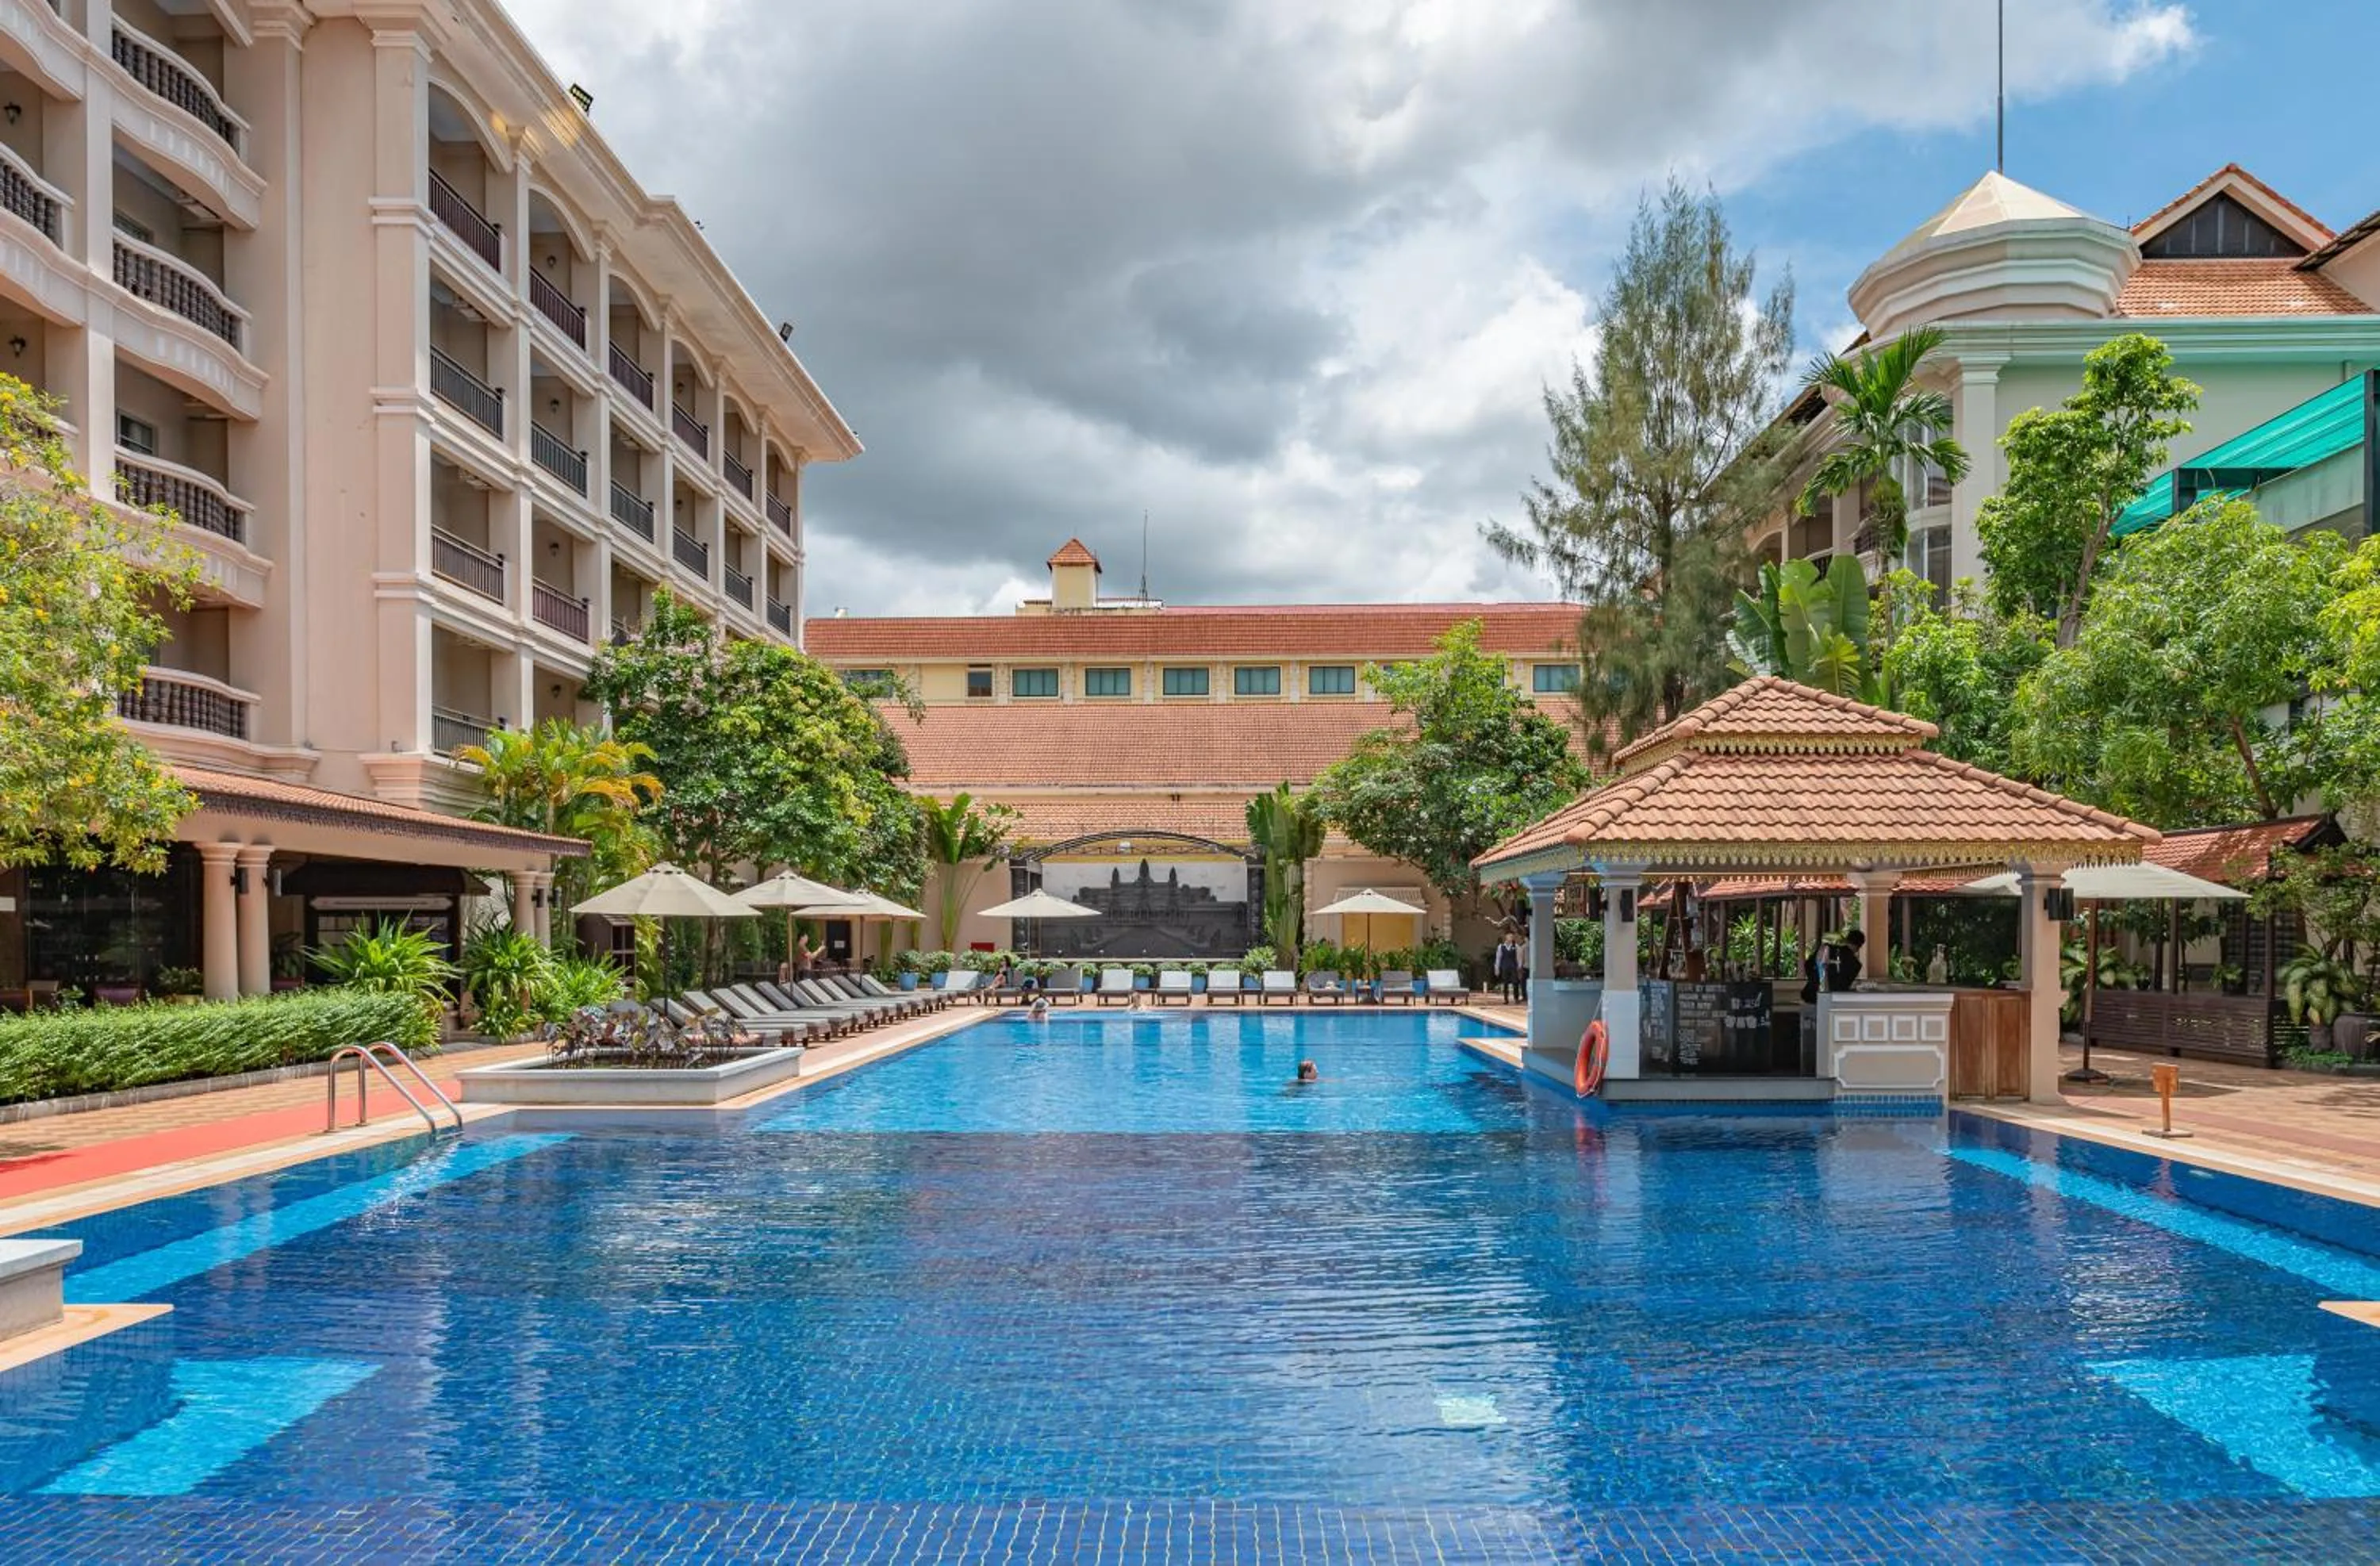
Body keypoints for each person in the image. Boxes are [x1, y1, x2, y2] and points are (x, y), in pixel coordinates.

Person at [1494, 934, 1523, 1004]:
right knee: (1505, 983)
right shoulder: (1501, 947)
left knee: (1515, 982)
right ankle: (1506, 999)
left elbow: (1519, 957)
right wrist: (1497, 968)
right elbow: (1498, 958)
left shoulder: (1516, 946)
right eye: (1510, 937)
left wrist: (1519, 966)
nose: (1511, 938)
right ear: (1506, 938)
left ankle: (1516, 998)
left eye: (1512, 937)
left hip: (1513, 966)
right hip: (1505, 966)